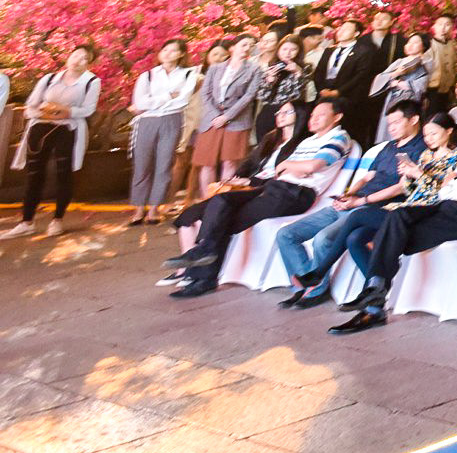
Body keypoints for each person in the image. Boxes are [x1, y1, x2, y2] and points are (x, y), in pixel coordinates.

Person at [330, 107, 457, 333]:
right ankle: (375, 291)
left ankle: (374, 303)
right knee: (398, 216)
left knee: (389, 238)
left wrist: (456, 182)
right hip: (444, 206)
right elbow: (444, 190)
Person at [163, 101, 357, 294]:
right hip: (275, 186)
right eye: (313, 115)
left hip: (296, 193)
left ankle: (204, 273)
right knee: (222, 200)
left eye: (320, 115)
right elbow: (284, 171)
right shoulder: (308, 142)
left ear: (337, 117)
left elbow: (311, 167)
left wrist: (288, 166)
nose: (313, 119)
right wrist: (290, 168)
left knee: (225, 218)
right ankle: (205, 252)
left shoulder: (339, 138)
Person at [273, 101, 428, 306]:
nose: (391, 128)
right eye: (389, 123)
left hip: (373, 207)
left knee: (323, 239)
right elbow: (367, 177)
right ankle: (305, 287)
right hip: (354, 201)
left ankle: (314, 290)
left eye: (397, 122)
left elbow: (401, 188)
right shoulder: (388, 147)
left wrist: (360, 201)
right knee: (286, 234)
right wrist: (348, 194)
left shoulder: (421, 149)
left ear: (414, 119)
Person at [6, 45, 101, 237]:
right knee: (34, 175)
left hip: (67, 129)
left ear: (89, 64)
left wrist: (66, 112)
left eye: (84, 58)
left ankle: (57, 220)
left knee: (63, 173)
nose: (78, 60)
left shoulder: (91, 82)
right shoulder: (49, 78)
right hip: (40, 128)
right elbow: (30, 106)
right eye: (75, 55)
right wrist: (47, 113)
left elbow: (88, 109)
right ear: (69, 56)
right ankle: (27, 222)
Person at [126, 40, 199, 225]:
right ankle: (139, 209)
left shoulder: (188, 74)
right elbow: (139, 102)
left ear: (181, 54)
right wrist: (168, 96)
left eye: (173, 51)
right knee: (142, 165)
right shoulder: (148, 75)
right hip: (146, 121)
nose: (167, 53)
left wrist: (154, 101)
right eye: (165, 49)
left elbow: (183, 100)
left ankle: (154, 209)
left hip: (172, 120)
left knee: (164, 165)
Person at [191, 37, 262, 197]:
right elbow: (206, 93)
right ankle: (207, 199)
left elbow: (249, 96)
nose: (247, 48)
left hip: (237, 120)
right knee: (207, 163)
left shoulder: (254, 69)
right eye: (244, 44)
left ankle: (222, 199)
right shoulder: (215, 68)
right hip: (211, 120)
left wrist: (227, 116)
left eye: (251, 46)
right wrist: (216, 115)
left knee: (230, 162)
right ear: (232, 48)